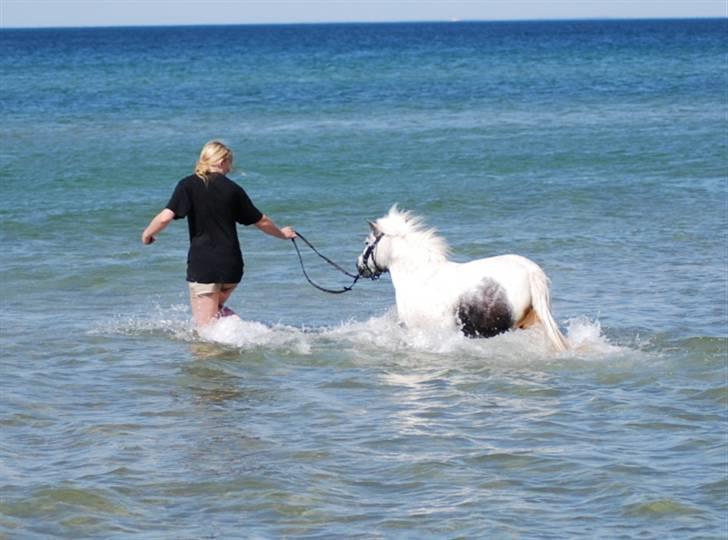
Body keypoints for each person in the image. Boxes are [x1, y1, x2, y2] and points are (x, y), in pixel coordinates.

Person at [142, 140, 296, 327]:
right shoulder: (233, 189)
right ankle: (241, 336)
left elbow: (165, 218)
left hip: (204, 267)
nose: (230, 168)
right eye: (230, 163)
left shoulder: (188, 185)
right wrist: (282, 234)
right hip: (232, 267)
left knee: (204, 333)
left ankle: (246, 332)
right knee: (214, 315)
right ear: (222, 161)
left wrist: (147, 234)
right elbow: (261, 221)